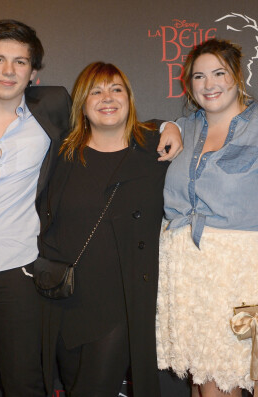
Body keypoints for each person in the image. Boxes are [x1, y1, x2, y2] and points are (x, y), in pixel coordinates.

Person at [0, 20, 182, 396]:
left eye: (20, 62)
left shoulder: (52, 106)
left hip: (22, 271)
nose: (9, 71)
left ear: (33, 72)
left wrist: (169, 125)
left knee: (27, 382)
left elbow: (110, 118)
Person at [156, 39, 258, 397]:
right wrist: (172, 124)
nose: (209, 84)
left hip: (238, 277)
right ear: (189, 85)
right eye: (199, 76)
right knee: (201, 381)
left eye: (218, 73)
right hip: (187, 278)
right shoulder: (187, 128)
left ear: (237, 76)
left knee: (221, 383)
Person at [38, 62, 169, 397]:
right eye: (96, 91)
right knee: (71, 386)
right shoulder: (61, 154)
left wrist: (171, 125)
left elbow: (203, 126)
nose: (106, 98)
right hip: (63, 299)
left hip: (120, 303)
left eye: (116, 89)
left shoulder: (156, 150)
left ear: (129, 98)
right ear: (82, 103)